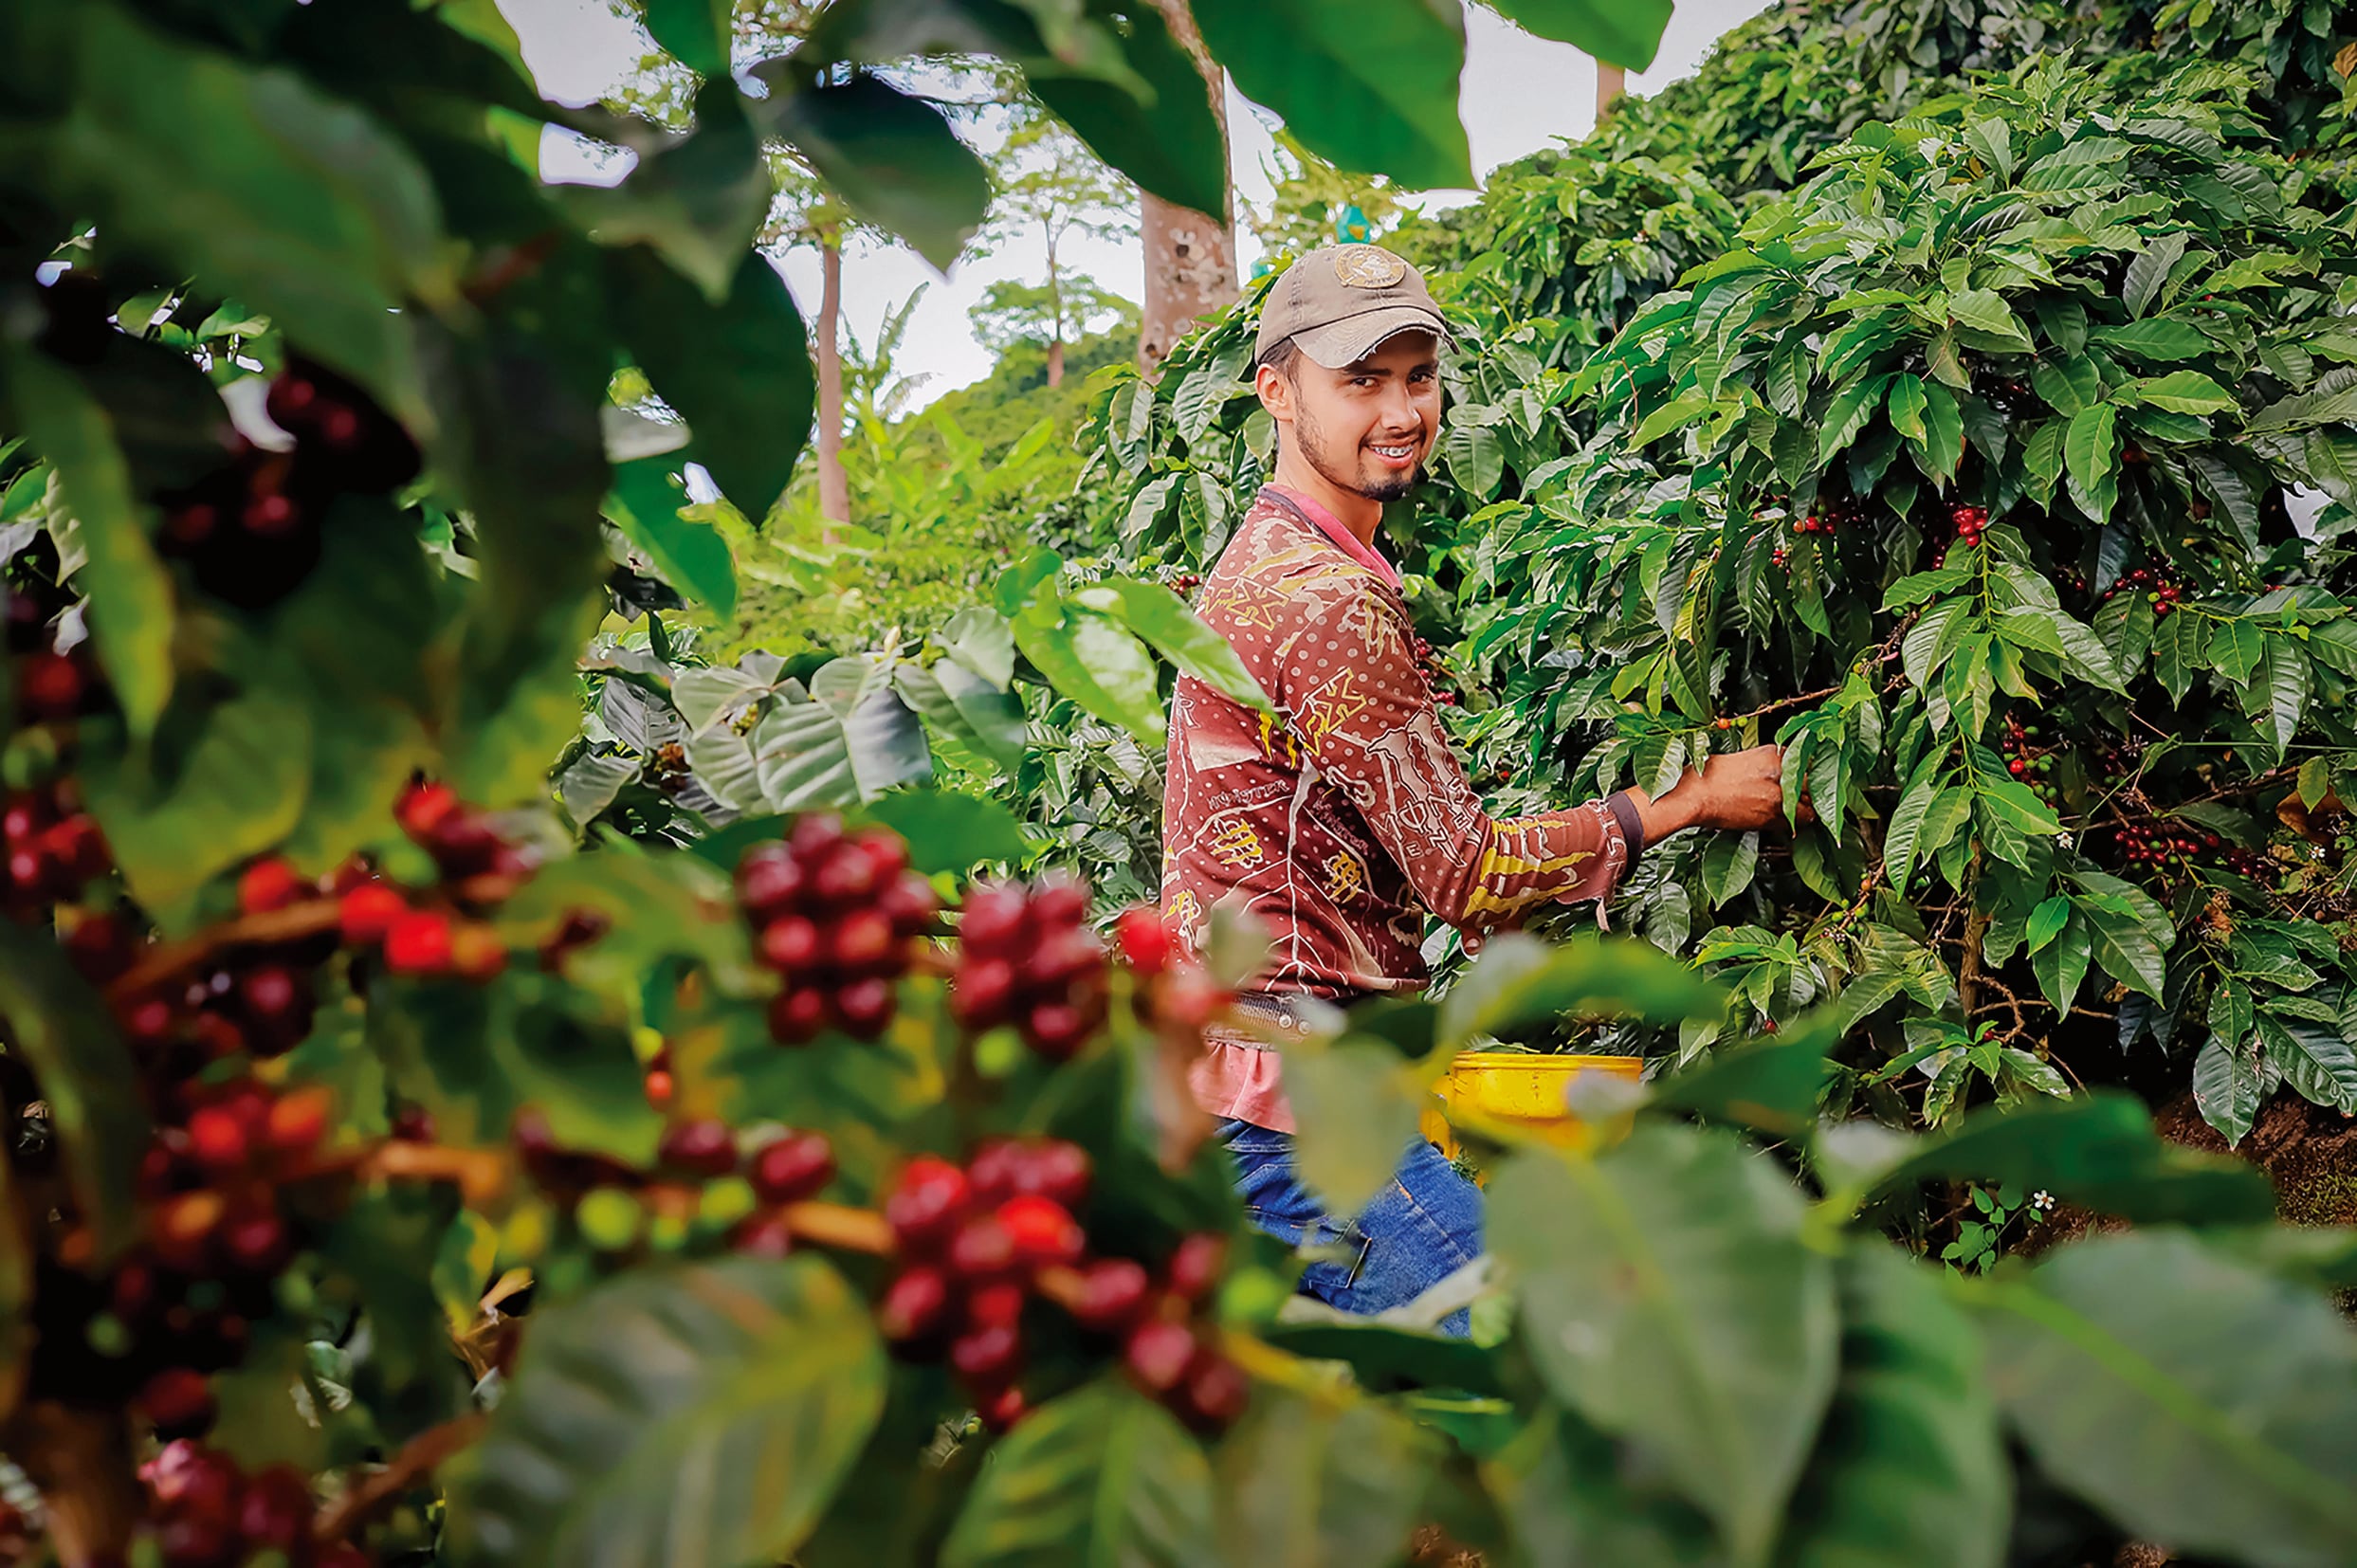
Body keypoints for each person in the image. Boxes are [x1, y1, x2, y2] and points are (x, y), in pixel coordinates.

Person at [1160, 244, 1784, 1330]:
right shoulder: (1326, 600)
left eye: (1415, 376)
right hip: (1288, 1112)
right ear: (1275, 388)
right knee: (1553, 1345)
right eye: (1358, 381)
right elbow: (1463, 871)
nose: (1399, 410)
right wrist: (1684, 798)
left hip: (1228, 1079)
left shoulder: (1271, 553)